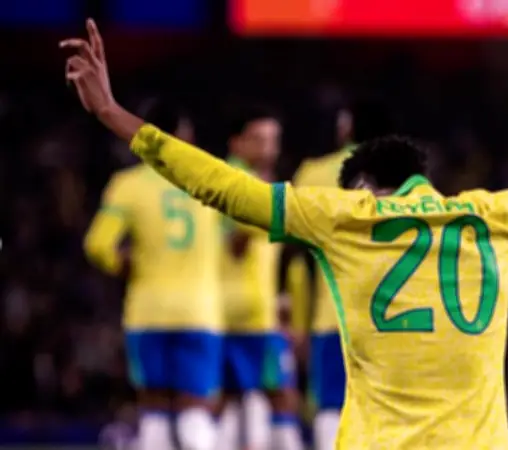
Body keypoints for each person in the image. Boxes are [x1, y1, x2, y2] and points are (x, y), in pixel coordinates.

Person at [63, 15, 508, 449]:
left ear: (365, 186)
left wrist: (114, 115)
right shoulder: (500, 217)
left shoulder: (344, 219)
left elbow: (222, 186)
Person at [83, 99, 222, 450]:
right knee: (196, 407)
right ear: (184, 136)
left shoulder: (128, 185)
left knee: (155, 408)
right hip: (199, 311)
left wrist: (123, 264)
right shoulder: (208, 178)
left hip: (147, 311)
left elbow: (97, 245)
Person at [217, 108, 303, 450]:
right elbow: (235, 242)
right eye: (258, 139)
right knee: (280, 395)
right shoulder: (235, 183)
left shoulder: (251, 182)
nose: (268, 148)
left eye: (273, 140)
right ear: (236, 143)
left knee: (231, 399)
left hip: (246, 309)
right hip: (245, 314)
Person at [291, 105, 357, 450]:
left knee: (331, 404)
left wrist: (297, 319)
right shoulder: (405, 179)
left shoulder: (313, 174)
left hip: (332, 315)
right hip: (395, 320)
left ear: (344, 129)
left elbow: (296, 256)